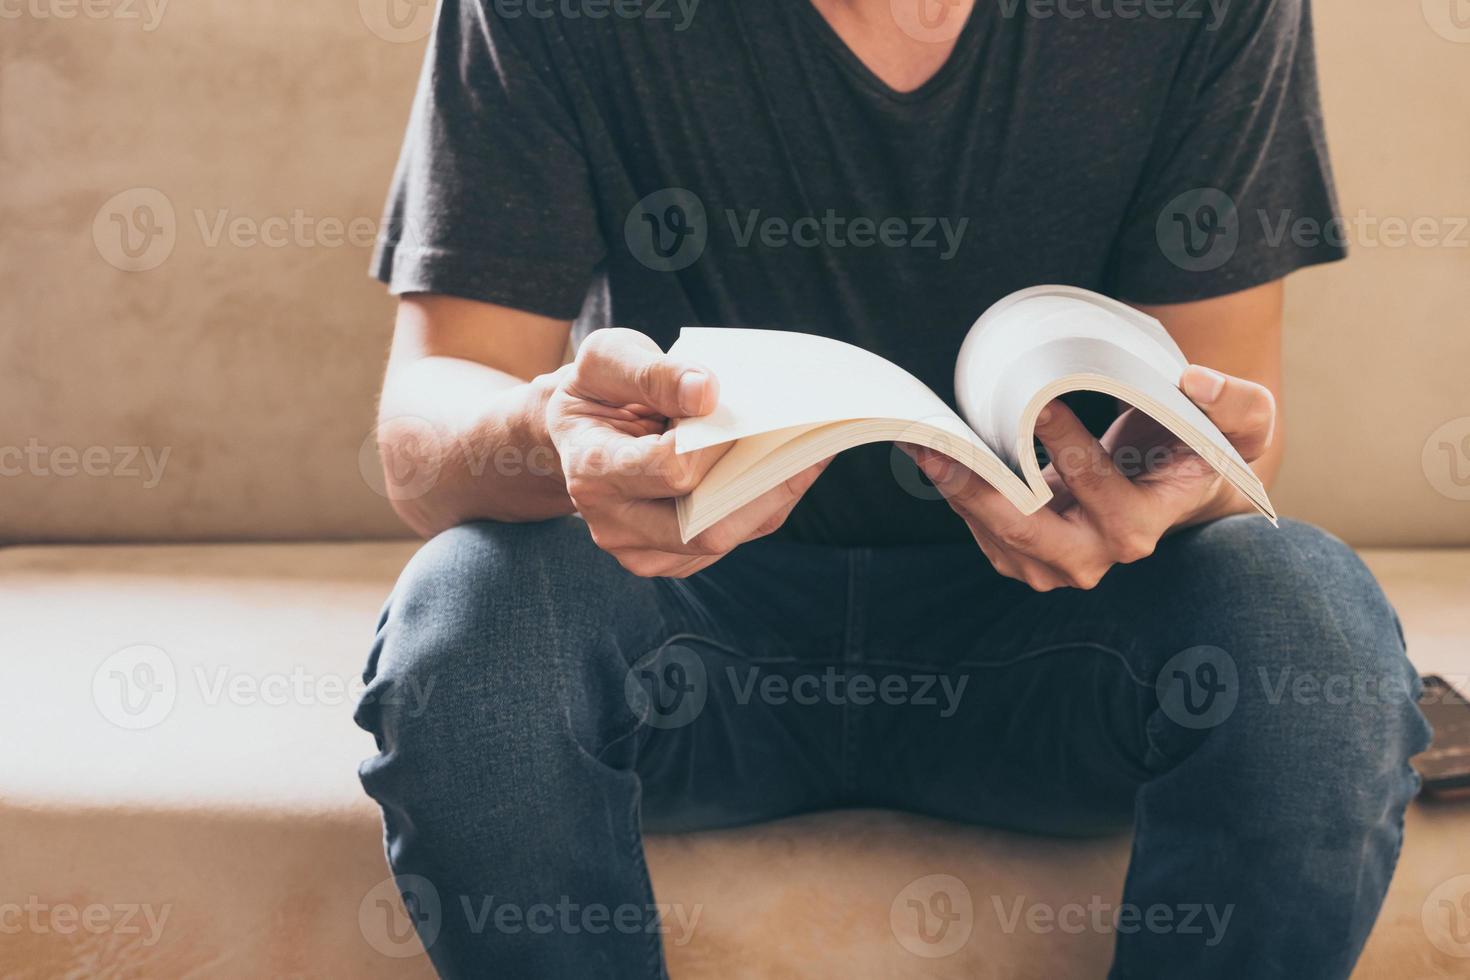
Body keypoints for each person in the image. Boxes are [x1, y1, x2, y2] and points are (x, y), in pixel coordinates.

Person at [352, 0, 1430, 975]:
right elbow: (422, 432)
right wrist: (552, 430)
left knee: (1304, 609)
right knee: (467, 612)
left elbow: (1228, 442)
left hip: (1059, 637)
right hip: (681, 614)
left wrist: (1161, 489)